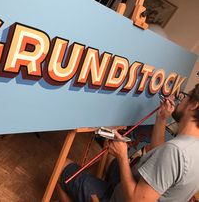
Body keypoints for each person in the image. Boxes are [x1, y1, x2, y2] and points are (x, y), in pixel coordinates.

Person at [59, 84, 199, 202]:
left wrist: (122, 156)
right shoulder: (190, 147)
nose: (182, 98)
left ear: (194, 105)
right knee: (111, 157)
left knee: (62, 166)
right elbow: (159, 155)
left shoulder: (176, 151)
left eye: (186, 95)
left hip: (125, 197)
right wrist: (161, 118)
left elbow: (136, 200)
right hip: (133, 186)